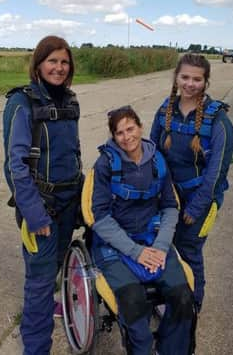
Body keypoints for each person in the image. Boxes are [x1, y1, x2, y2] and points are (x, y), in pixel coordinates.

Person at [89, 106, 195, 355]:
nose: (126, 137)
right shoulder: (105, 164)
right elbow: (101, 219)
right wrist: (136, 252)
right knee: (133, 302)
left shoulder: (157, 160)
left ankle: (171, 349)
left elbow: (170, 207)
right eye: (119, 133)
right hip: (114, 245)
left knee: (183, 298)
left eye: (130, 129)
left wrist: (159, 246)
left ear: (140, 127)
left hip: (152, 239)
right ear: (113, 136)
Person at [3, 35, 83, 354]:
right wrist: (35, 215)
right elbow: (16, 166)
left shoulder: (70, 100)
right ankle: (35, 347)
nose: (59, 68)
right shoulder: (21, 102)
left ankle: (47, 308)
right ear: (38, 64)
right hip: (41, 209)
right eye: (52, 61)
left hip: (68, 203)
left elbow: (73, 153)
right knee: (39, 282)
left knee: (55, 268)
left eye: (64, 62)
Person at [150, 53, 233, 313]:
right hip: (168, 198)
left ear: (205, 82)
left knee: (189, 250)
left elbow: (216, 173)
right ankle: (170, 297)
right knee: (165, 247)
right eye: (185, 77)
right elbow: (152, 152)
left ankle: (191, 307)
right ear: (176, 78)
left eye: (197, 79)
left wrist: (195, 208)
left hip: (201, 200)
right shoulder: (165, 111)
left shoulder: (218, 121)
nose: (190, 84)